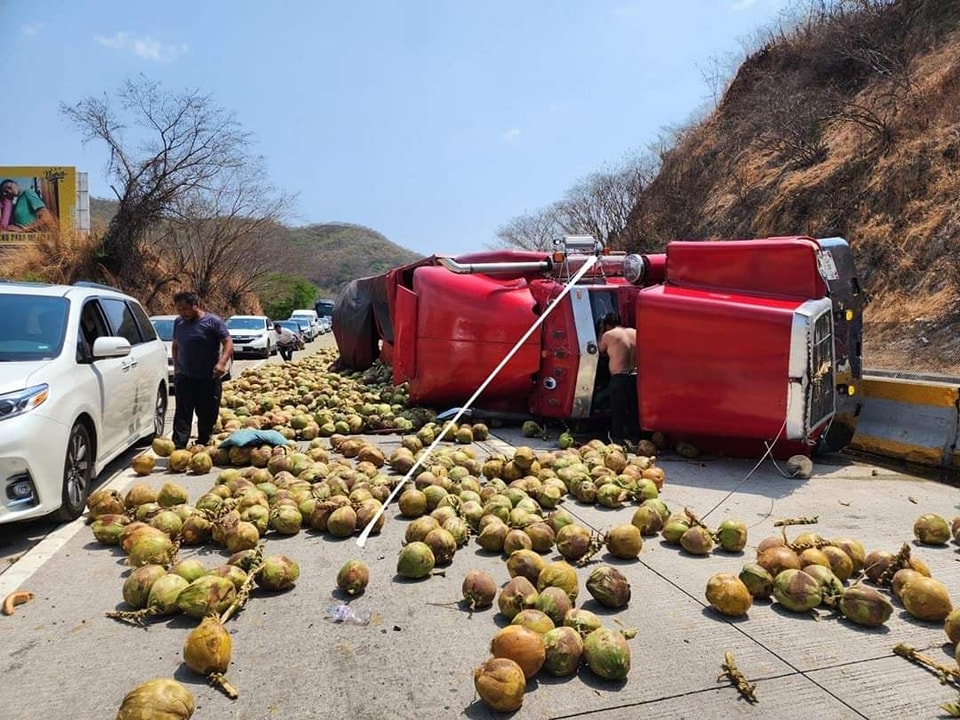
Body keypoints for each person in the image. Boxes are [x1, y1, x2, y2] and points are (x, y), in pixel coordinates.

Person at [171, 291, 233, 449]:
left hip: (208, 377)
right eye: (179, 310)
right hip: (185, 376)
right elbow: (176, 345)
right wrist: (177, 368)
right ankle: (179, 446)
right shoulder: (178, 322)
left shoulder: (213, 322)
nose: (182, 313)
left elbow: (228, 342)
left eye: (185, 309)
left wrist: (222, 363)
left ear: (195, 306)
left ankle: (203, 441)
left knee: (207, 412)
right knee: (182, 413)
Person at [598, 311, 641, 447]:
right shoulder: (634, 332)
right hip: (635, 376)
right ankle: (637, 439)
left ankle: (617, 440)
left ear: (606, 325)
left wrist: (600, 331)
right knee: (634, 410)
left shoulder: (608, 335)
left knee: (618, 411)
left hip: (619, 377)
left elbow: (599, 349)